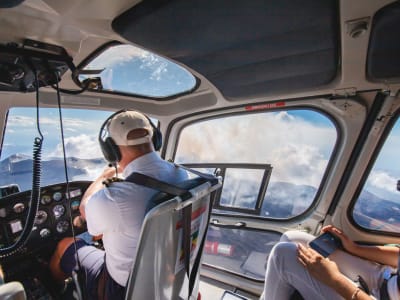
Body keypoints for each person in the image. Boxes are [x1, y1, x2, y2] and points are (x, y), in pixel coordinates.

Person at [49, 110, 188, 299]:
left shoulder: (115, 198)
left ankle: (55, 292)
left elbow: (86, 213)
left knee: (65, 245)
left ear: (110, 150)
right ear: (156, 139)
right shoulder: (181, 175)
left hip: (123, 289)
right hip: (166, 277)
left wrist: (104, 176)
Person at [261, 225, 399, 300]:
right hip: (386, 277)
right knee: (292, 238)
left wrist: (334, 279)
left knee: (283, 254)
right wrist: (354, 248)